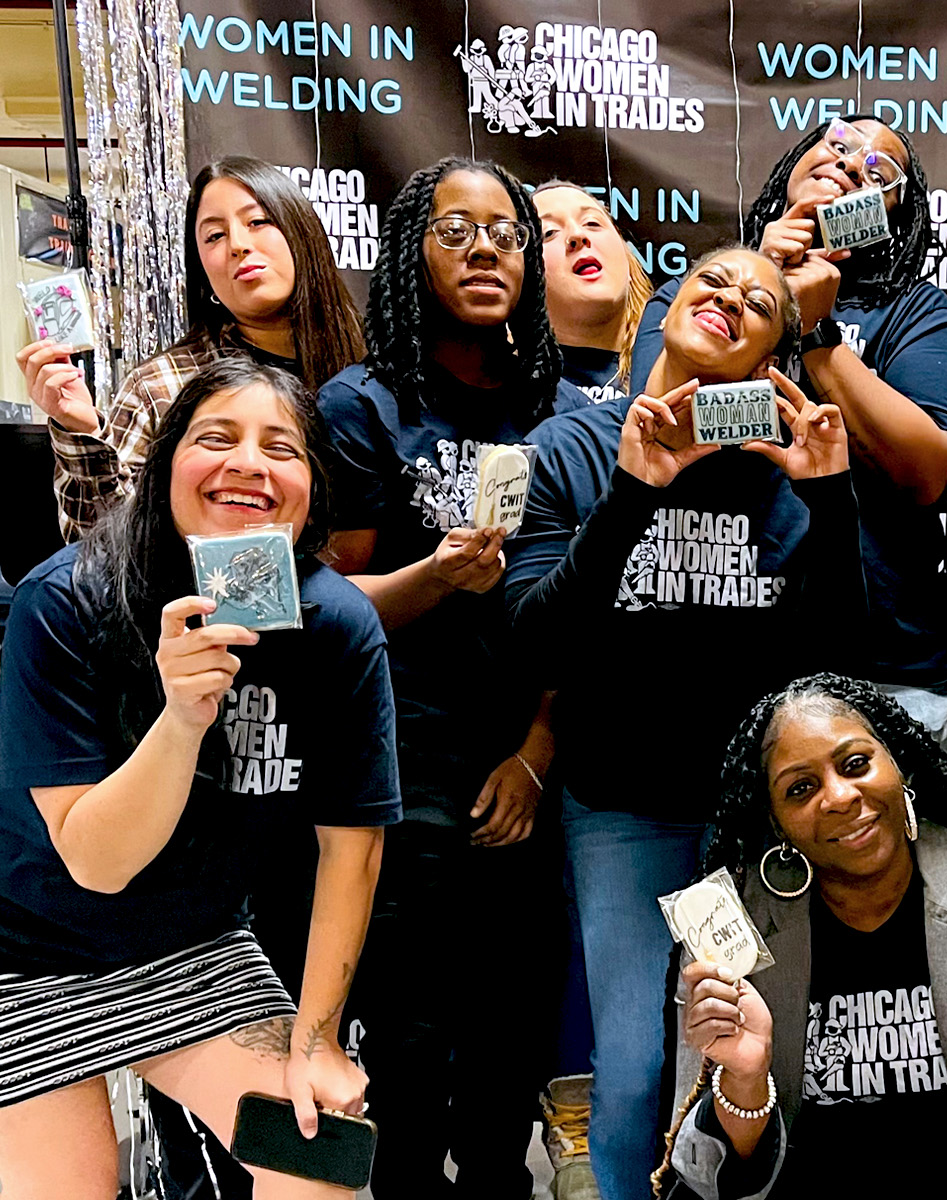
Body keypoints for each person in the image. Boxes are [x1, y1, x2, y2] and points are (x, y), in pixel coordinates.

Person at [507, 245, 864, 1200]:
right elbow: (533, 643)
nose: (731, 298)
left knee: (752, 1050)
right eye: (714, 282)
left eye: (760, 301)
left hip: (752, 822)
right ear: (667, 305)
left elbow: (838, 666)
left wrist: (830, 496)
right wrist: (633, 493)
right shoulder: (575, 446)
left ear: (773, 356)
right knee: (629, 1068)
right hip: (621, 808)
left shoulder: (787, 465)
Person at [0, 358, 398, 1197]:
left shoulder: (337, 625)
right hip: (26, 952)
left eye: (281, 448)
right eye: (216, 439)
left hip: (195, 943)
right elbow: (97, 862)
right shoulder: (66, 602)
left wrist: (318, 1040)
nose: (249, 464)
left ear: (313, 490)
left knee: (317, 1165)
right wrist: (182, 719)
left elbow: (351, 849)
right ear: (165, 465)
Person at [317, 156, 586, 1199]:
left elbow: (592, 605)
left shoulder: (566, 407)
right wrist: (433, 577)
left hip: (532, 749)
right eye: (455, 231)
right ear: (409, 252)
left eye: (507, 234)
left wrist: (536, 751)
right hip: (404, 753)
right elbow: (331, 601)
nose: (485, 252)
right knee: (413, 1034)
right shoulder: (364, 405)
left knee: (515, 1028)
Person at [653, 674, 947, 1200]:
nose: (839, 797)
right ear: (778, 823)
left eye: (855, 764)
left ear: (899, 768)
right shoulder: (730, 925)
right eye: (800, 788)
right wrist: (745, 1079)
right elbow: (705, 1177)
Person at [630, 115, 947, 752]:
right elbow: (660, 425)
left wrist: (817, 337)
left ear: (892, 216)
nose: (850, 163)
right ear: (797, 159)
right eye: (838, 144)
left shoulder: (915, 310)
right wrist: (762, 284)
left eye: (878, 171)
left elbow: (926, 475)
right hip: (713, 653)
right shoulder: (695, 295)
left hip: (886, 665)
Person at [16, 155, 364, 542]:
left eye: (258, 222)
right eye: (214, 236)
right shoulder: (161, 386)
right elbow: (99, 547)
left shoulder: (375, 364)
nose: (238, 245)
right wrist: (82, 433)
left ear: (301, 232)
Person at [532, 175, 656, 1199]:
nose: (579, 239)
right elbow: (533, 616)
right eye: (547, 232)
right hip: (582, 761)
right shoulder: (533, 421)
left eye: (597, 222)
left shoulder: (717, 385)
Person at [535, 179, 654, 404]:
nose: (577, 235)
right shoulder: (509, 392)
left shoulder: (678, 368)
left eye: (592, 223)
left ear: (627, 259)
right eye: (548, 233)